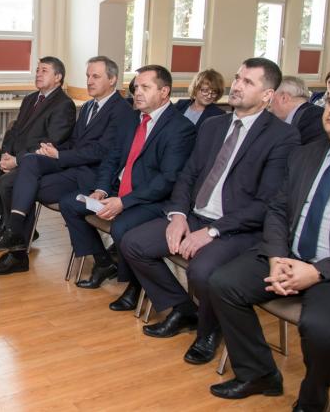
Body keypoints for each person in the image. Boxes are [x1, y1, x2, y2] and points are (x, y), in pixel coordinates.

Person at [208, 78, 330, 411]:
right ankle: (258, 373)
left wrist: (317, 272)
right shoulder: (306, 153)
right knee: (223, 283)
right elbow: (278, 210)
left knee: (323, 328)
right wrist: (277, 256)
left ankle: (313, 397)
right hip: (289, 255)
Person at [122, 57, 300, 365]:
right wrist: (178, 215)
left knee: (202, 271)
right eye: (237, 78)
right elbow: (188, 175)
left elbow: (267, 204)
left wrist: (213, 231)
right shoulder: (213, 125)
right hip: (195, 215)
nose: (237, 85)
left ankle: (208, 331)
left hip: (237, 227)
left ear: (267, 95)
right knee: (133, 244)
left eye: (248, 82)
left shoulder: (282, 137)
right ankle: (183, 309)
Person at [58, 65, 196, 309]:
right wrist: (101, 189)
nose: (137, 92)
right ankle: (104, 262)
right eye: (136, 87)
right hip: (118, 189)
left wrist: (123, 202)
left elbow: (167, 180)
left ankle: (136, 284)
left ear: (164, 92)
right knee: (70, 203)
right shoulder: (132, 119)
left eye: (145, 87)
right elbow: (112, 158)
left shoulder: (180, 128)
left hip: (151, 199)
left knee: (122, 226)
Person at [0, 56, 133, 275]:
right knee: (29, 165)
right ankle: (17, 243)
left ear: (112, 80)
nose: (89, 81)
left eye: (96, 76)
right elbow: (75, 141)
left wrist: (59, 155)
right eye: (88, 76)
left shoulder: (122, 110)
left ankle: (16, 243)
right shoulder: (89, 106)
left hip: (94, 177)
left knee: (23, 186)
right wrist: (53, 149)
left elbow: (102, 152)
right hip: (74, 168)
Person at [0, 56, 76, 237]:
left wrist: (17, 160)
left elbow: (51, 142)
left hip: (35, 162)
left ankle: (20, 231)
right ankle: (3, 218)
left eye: (44, 71)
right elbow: (15, 130)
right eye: (37, 70)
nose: (38, 74)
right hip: (12, 156)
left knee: (6, 183)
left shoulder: (64, 104)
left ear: (58, 77)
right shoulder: (30, 99)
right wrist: (6, 154)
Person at [270, 75, 325, 144]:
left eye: (270, 98)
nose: (268, 103)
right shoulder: (307, 115)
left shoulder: (314, 116)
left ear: (284, 98)